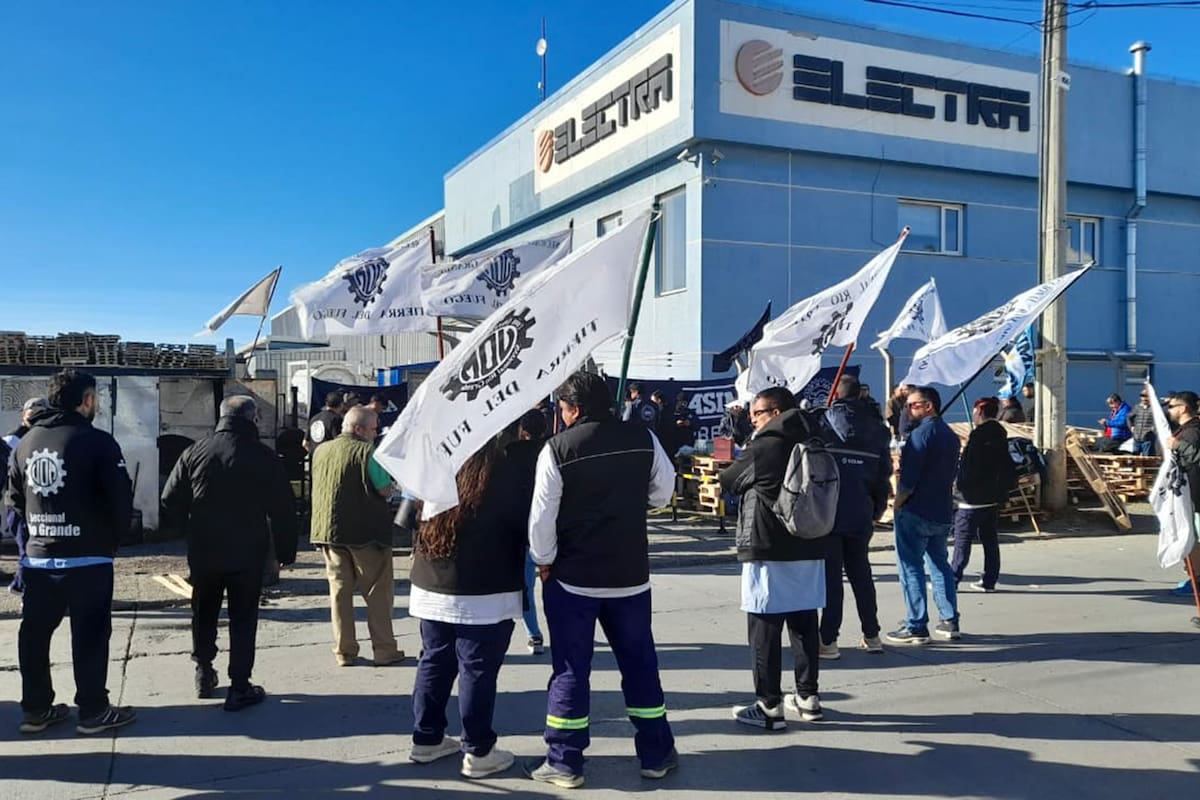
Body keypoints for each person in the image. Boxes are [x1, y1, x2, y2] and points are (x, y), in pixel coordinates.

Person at [526, 372, 677, 788]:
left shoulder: (557, 449)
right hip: (630, 576)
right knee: (640, 664)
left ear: (572, 409)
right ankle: (657, 753)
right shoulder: (643, 437)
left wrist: (544, 561)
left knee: (572, 669)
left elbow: (541, 519)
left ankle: (564, 760)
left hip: (573, 577)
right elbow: (664, 492)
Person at [7, 370, 135, 735]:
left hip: (38, 558)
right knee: (91, 636)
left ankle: (35, 708)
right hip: (88, 558)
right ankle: (93, 710)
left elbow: (14, 502)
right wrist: (110, 542)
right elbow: (121, 501)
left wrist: (39, 533)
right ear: (88, 399)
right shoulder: (98, 442)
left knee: (34, 634)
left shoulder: (26, 444)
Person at [407, 436, 537, 779]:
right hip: (486, 588)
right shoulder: (503, 472)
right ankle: (478, 750)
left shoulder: (433, 467)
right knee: (476, 668)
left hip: (432, 580)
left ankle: (426, 738)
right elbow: (526, 526)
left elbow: (406, 518)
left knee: (434, 659)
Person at [161, 396, 299, 711]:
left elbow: (169, 500)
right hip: (247, 550)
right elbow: (283, 510)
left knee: (204, 610)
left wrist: (191, 525)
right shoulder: (263, 457)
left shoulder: (195, 451)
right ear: (252, 419)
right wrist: (285, 552)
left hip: (205, 548)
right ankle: (239, 685)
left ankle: (203, 670)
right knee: (243, 617)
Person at [720, 387, 827, 731]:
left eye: (757, 414)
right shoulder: (818, 436)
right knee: (804, 622)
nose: (753, 421)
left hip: (767, 542)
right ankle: (808, 697)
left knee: (764, 627)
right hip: (810, 539)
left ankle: (768, 706)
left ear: (775, 411)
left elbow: (730, 480)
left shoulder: (766, 444)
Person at [309, 406, 404, 667]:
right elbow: (384, 490)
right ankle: (384, 650)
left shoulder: (321, 451)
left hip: (329, 532)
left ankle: (344, 650)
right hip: (366, 533)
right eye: (374, 429)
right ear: (359, 429)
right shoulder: (368, 452)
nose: (376, 433)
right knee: (377, 592)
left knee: (339, 593)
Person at [814, 376, 892, 658]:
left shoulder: (822, 424)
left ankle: (828, 640)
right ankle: (872, 635)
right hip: (861, 511)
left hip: (828, 512)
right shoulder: (877, 430)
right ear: (860, 394)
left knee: (832, 580)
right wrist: (876, 509)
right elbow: (884, 476)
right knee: (862, 575)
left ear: (835, 393)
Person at [886, 386, 962, 645]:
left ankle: (916, 624)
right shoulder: (950, 435)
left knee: (911, 567)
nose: (908, 410)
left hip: (916, 509)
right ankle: (949, 619)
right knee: (940, 565)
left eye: (913, 405)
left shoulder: (921, 435)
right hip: (941, 509)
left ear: (928, 406)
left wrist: (897, 504)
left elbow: (909, 480)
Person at [951, 398, 1017, 594]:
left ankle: (953, 579)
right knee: (990, 539)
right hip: (992, 496)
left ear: (979, 412)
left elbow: (970, 468)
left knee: (962, 539)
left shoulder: (979, 436)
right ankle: (989, 579)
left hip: (972, 498)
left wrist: (959, 488)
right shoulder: (999, 434)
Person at [509, 409, 549, 655]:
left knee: (525, 586)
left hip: (521, 526)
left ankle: (534, 634)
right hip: (550, 525)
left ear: (523, 432)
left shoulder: (511, 454)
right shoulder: (553, 450)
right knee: (555, 584)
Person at [3, 397, 49, 593]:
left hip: (40, 503)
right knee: (26, 547)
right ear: (24, 415)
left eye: (41, 413)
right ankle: (23, 586)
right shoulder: (11, 441)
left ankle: (23, 585)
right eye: (32, 413)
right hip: (18, 504)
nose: (36, 417)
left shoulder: (47, 439)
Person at [1127, 390, 1157, 456]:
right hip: (1136, 437)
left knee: (1147, 459)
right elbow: (1129, 417)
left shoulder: (1154, 408)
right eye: (1142, 396)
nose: (1144, 398)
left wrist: (1153, 428)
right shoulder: (1137, 407)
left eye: (1146, 396)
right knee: (1135, 459)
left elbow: (1158, 420)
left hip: (1148, 439)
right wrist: (1131, 427)